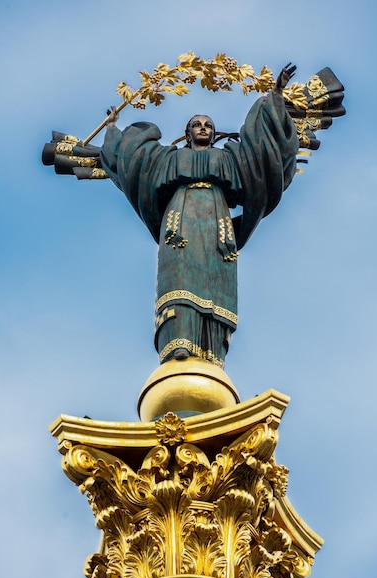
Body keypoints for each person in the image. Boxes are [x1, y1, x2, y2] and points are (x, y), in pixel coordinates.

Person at [100, 64, 299, 368]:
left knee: (216, 282)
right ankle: (178, 342)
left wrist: (275, 94)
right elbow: (131, 161)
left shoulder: (229, 158)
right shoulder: (170, 158)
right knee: (179, 277)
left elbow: (263, 150)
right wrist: (112, 129)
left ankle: (211, 351)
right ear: (188, 132)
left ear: (215, 133)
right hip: (180, 220)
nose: (203, 127)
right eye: (197, 124)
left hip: (217, 225)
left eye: (208, 124)